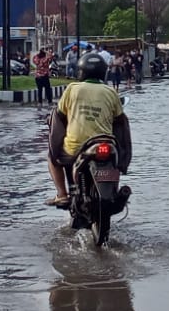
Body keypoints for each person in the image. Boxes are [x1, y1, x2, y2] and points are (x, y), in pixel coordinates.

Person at [47, 53, 132, 207]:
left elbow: (59, 115)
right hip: (106, 143)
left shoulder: (72, 89)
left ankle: (62, 194)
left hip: (75, 147)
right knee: (114, 160)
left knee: (52, 157)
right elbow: (120, 121)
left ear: (81, 71)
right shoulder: (111, 92)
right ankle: (114, 190)